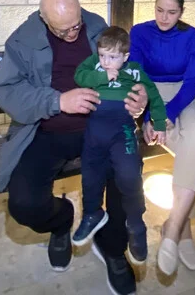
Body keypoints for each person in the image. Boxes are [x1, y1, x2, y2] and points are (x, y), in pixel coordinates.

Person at [0, 0, 149, 295]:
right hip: (45, 131)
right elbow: (7, 90)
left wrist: (137, 94)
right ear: (44, 19)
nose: (73, 33)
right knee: (24, 204)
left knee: (126, 176)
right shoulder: (22, 41)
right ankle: (61, 221)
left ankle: (112, 247)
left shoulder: (96, 25)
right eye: (63, 30)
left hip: (98, 127)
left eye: (77, 25)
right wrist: (58, 101)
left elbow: (122, 69)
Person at [129, 0, 195, 276]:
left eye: (172, 12)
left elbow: (191, 83)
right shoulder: (140, 32)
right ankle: (182, 228)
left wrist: (168, 115)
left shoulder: (190, 36)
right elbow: (138, 78)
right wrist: (150, 116)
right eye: (159, 10)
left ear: (182, 12)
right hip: (151, 94)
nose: (164, 17)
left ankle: (172, 227)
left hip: (184, 97)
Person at [72, 26, 168, 265]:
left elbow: (153, 95)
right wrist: (101, 76)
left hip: (121, 129)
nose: (106, 61)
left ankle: (135, 222)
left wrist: (159, 123)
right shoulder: (96, 66)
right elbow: (79, 76)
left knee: (129, 175)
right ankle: (92, 213)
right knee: (90, 174)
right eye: (102, 55)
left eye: (112, 57)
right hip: (95, 129)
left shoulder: (134, 71)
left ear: (125, 56)